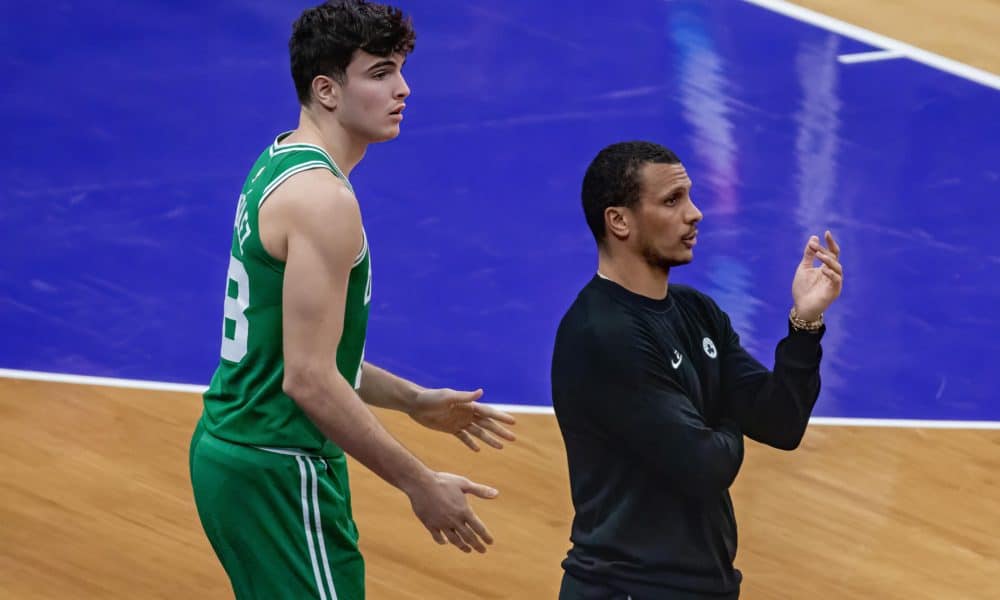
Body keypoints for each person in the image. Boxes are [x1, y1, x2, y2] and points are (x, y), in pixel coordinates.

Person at [189, 2, 517, 598]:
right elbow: (309, 379)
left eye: (401, 70)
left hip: (242, 453)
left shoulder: (280, 158)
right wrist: (419, 482)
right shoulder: (324, 201)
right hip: (278, 466)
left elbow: (300, 354)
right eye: (381, 73)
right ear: (327, 90)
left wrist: (412, 400)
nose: (403, 88)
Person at [550, 141, 843, 599]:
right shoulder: (603, 334)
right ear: (619, 221)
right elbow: (705, 465)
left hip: (698, 585)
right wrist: (724, 412)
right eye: (672, 201)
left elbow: (781, 423)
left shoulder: (695, 311)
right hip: (627, 587)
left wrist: (805, 324)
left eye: (688, 196)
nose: (695, 213)